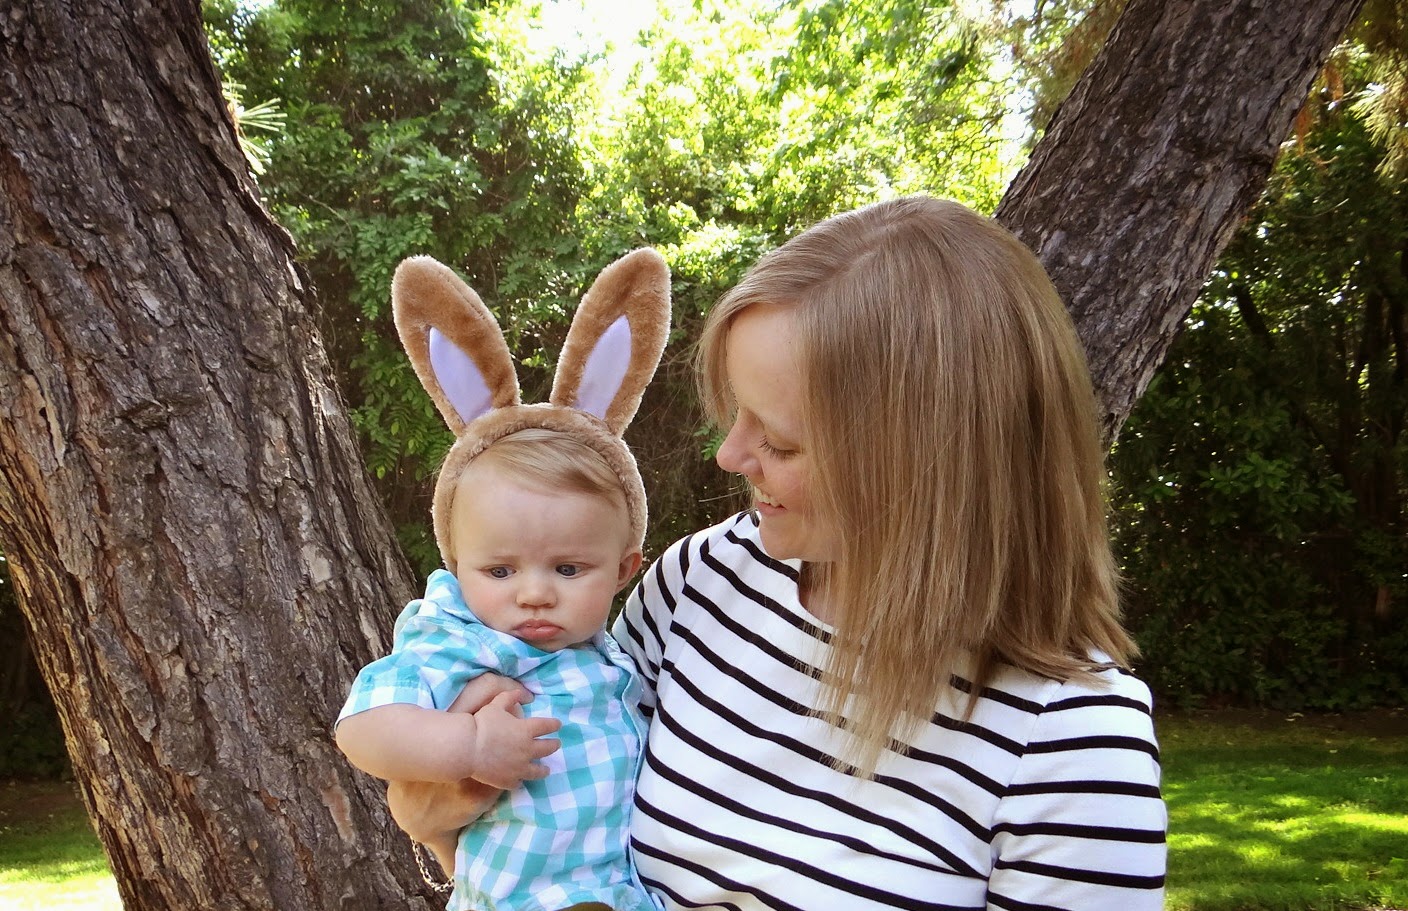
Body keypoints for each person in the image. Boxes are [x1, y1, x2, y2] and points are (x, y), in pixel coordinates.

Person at [390, 196, 1168, 911]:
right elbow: (548, 843)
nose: (730, 455)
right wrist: (440, 812)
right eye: (737, 413)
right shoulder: (703, 581)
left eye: (782, 440)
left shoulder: (1074, 747)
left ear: (928, 464)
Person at [339, 249, 672, 911]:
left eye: (569, 568)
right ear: (457, 566)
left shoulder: (609, 655)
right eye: (499, 570)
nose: (534, 592)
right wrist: (467, 744)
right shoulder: (461, 638)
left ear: (623, 569)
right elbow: (363, 727)